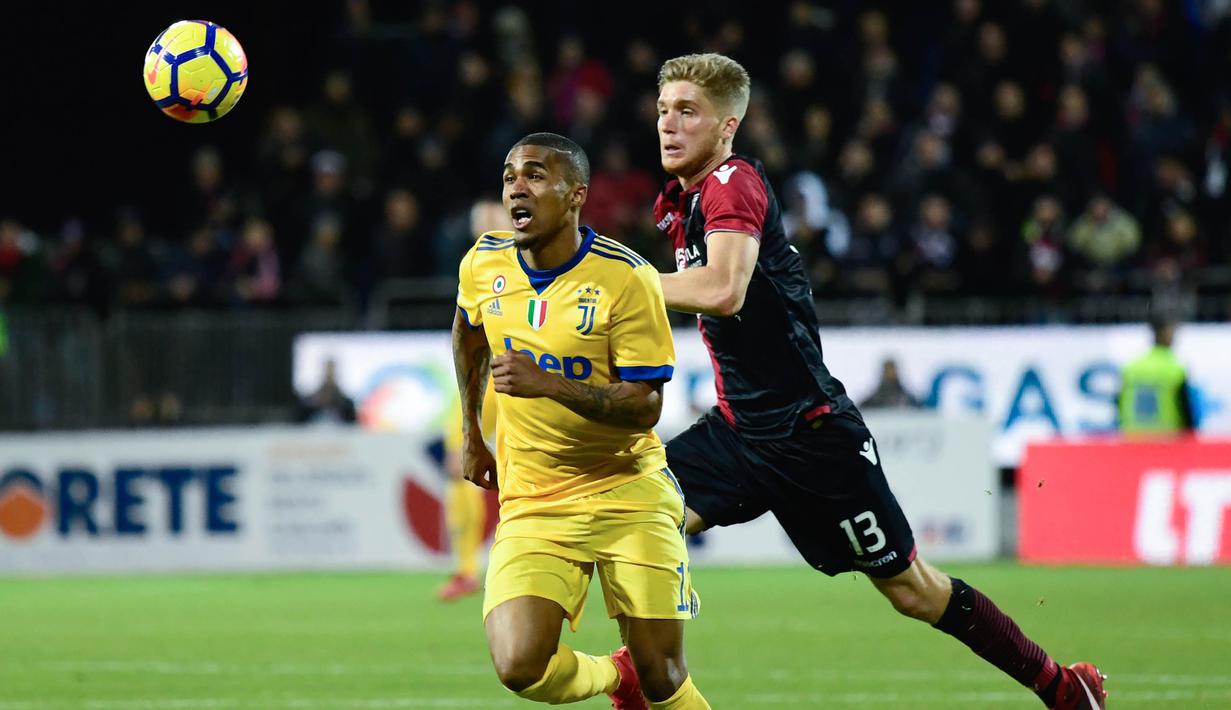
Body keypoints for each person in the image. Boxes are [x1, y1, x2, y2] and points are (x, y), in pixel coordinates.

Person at [649, 53, 1106, 710]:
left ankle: (1062, 686)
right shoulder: (681, 202)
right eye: (662, 109)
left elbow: (723, 289)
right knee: (638, 524)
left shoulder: (731, 181)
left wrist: (617, 285)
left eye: (686, 111)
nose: (668, 124)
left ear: (727, 126)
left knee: (913, 591)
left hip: (812, 437)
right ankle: (644, 681)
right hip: (738, 432)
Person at [453, 132, 709, 709]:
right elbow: (468, 332)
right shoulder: (484, 264)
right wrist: (474, 436)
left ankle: (641, 676)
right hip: (535, 500)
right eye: (510, 175)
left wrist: (549, 383)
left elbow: (645, 405)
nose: (517, 187)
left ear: (575, 195)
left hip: (628, 490)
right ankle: (618, 679)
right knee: (519, 666)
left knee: (665, 675)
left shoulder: (627, 277)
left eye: (536, 175)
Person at [436, 200, 511, 603]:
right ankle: (465, 568)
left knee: (526, 473)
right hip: (479, 378)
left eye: (492, 217)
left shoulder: (529, 258)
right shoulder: (475, 267)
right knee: (459, 469)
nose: (485, 225)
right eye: (478, 221)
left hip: (514, 375)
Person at [1118, 317, 1197, 435]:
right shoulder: (1174, 368)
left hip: (1133, 436)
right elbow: (1185, 407)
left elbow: (1119, 401)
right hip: (1165, 437)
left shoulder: (1132, 367)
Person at [294, 358, 357, 424]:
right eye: (327, 371)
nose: (329, 375)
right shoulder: (308, 403)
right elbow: (298, 423)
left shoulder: (347, 404)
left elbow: (352, 425)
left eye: (331, 371)